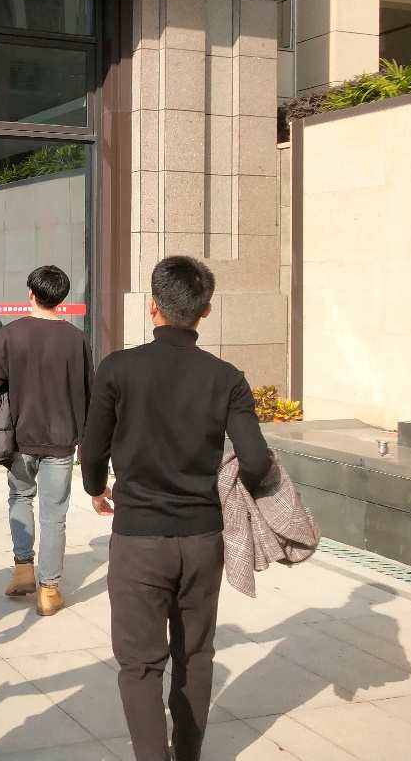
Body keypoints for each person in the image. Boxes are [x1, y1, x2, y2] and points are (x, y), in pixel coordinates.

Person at [81, 255, 273, 761]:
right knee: (196, 656)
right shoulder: (227, 378)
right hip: (202, 538)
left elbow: (93, 448)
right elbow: (256, 460)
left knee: (140, 664)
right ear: (205, 311)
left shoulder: (118, 369)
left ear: (153, 306)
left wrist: (96, 487)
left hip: (139, 538)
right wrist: (235, 491)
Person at [0, 265, 93, 616]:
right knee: (55, 514)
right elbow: (89, 392)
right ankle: (49, 590)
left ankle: (23, 570)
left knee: (20, 497)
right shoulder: (76, 339)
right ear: (61, 298)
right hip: (61, 440)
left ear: (31, 293)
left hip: (20, 437)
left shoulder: (11, 334)